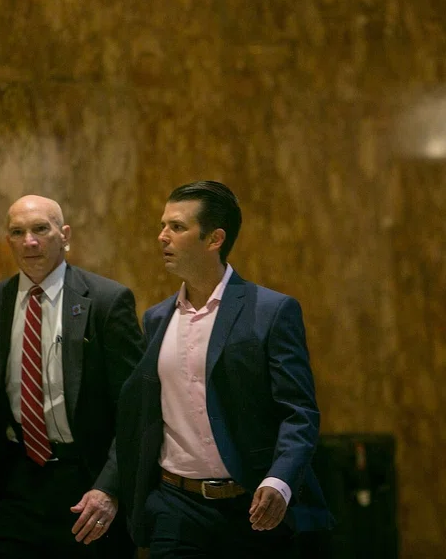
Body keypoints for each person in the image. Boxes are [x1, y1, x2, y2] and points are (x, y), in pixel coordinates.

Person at [116, 180, 334, 558]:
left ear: (214, 239)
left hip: (251, 506)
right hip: (175, 507)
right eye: (163, 225)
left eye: (177, 227)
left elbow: (299, 412)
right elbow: (140, 413)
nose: (162, 236)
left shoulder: (271, 311)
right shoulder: (156, 318)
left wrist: (280, 480)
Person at [0, 195, 144, 558]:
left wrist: (110, 488)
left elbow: (136, 410)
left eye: (40, 229)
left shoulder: (107, 302)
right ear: (8, 241)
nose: (29, 242)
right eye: (17, 232)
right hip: (10, 487)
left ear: (64, 234)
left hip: (85, 485)